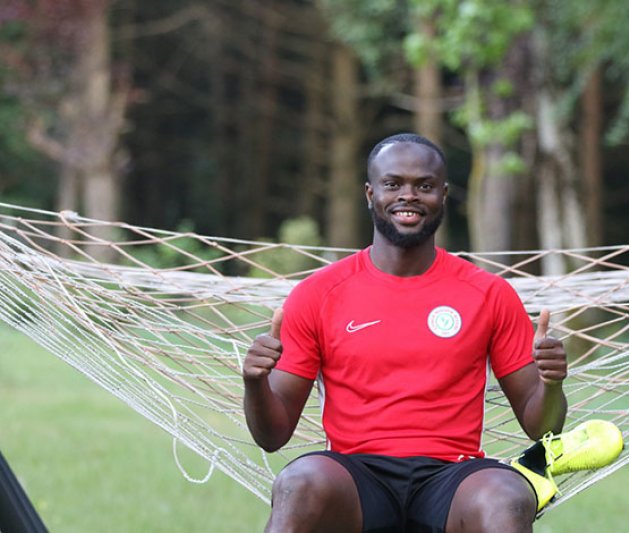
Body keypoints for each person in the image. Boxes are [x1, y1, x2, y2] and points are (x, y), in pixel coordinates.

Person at [243, 133, 568, 532]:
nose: (408, 196)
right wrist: (255, 383)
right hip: (357, 478)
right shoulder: (318, 294)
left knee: (508, 495)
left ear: (444, 195)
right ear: (370, 193)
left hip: (452, 478)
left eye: (424, 186)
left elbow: (542, 427)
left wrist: (552, 384)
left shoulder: (489, 294)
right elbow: (272, 435)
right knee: (299, 483)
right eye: (393, 184)